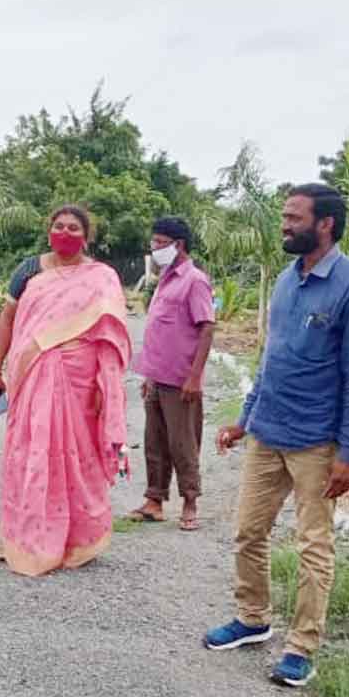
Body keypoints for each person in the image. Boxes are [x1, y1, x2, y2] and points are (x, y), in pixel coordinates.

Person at [204, 183, 349, 687]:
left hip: (317, 442)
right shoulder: (287, 278)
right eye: (284, 216)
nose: (284, 224)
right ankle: (252, 618)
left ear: (324, 224)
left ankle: (302, 647)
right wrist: (244, 418)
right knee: (248, 532)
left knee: (312, 545)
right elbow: (271, 359)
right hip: (267, 431)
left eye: (293, 217)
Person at [0, 205, 131, 576]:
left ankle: (77, 539)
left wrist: (103, 384)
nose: (66, 232)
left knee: (76, 457)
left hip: (81, 383)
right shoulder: (29, 270)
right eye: (59, 226)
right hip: (31, 375)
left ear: (87, 235)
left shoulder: (101, 277)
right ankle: (28, 539)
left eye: (74, 227)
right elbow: (8, 320)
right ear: (48, 230)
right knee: (30, 455)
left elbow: (110, 338)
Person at [128, 217, 215, 531]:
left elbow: (206, 327)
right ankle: (155, 500)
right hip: (157, 376)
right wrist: (148, 376)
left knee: (183, 444)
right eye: (153, 242)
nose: (154, 248)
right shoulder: (164, 279)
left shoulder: (194, 280)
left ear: (178, 245)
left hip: (181, 380)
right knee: (154, 442)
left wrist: (195, 377)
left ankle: (190, 503)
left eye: (160, 243)